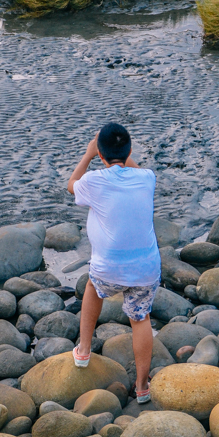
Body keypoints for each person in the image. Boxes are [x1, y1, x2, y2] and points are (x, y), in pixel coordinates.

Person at [67, 122, 160, 403]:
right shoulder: (147, 177)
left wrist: (88, 155)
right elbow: (131, 165)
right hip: (145, 269)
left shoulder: (94, 181)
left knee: (93, 289)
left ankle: (84, 351)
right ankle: (142, 387)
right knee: (140, 318)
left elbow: (71, 185)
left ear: (101, 156)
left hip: (108, 268)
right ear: (130, 151)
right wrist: (118, 152)